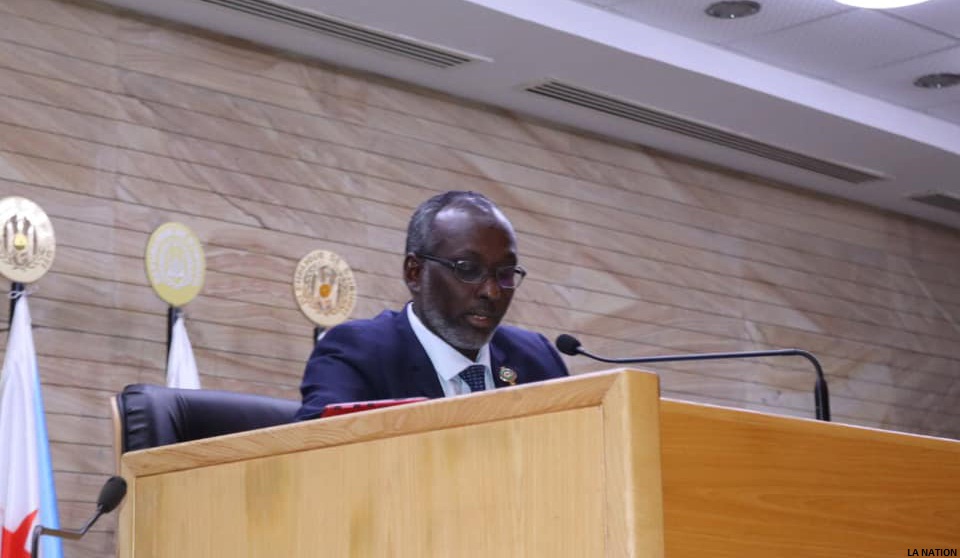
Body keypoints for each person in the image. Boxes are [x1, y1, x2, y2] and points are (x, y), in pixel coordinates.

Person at [296, 190, 569, 420]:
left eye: (505, 273)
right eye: (468, 269)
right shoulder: (355, 354)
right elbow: (315, 457)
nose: (492, 291)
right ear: (415, 273)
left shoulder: (537, 360)